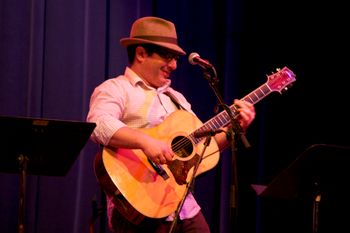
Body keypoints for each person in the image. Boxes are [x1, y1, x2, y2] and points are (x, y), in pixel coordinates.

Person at [86, 16, 256, 233]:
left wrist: (236, 128)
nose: (174, 65)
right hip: (140, 206)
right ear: (140, 53)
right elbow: (99, 124)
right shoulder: (116, 89)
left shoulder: (176, 98)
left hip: (184, 205)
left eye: (175, 58)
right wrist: (145, 142)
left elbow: (205, 146)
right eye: (168, 57)